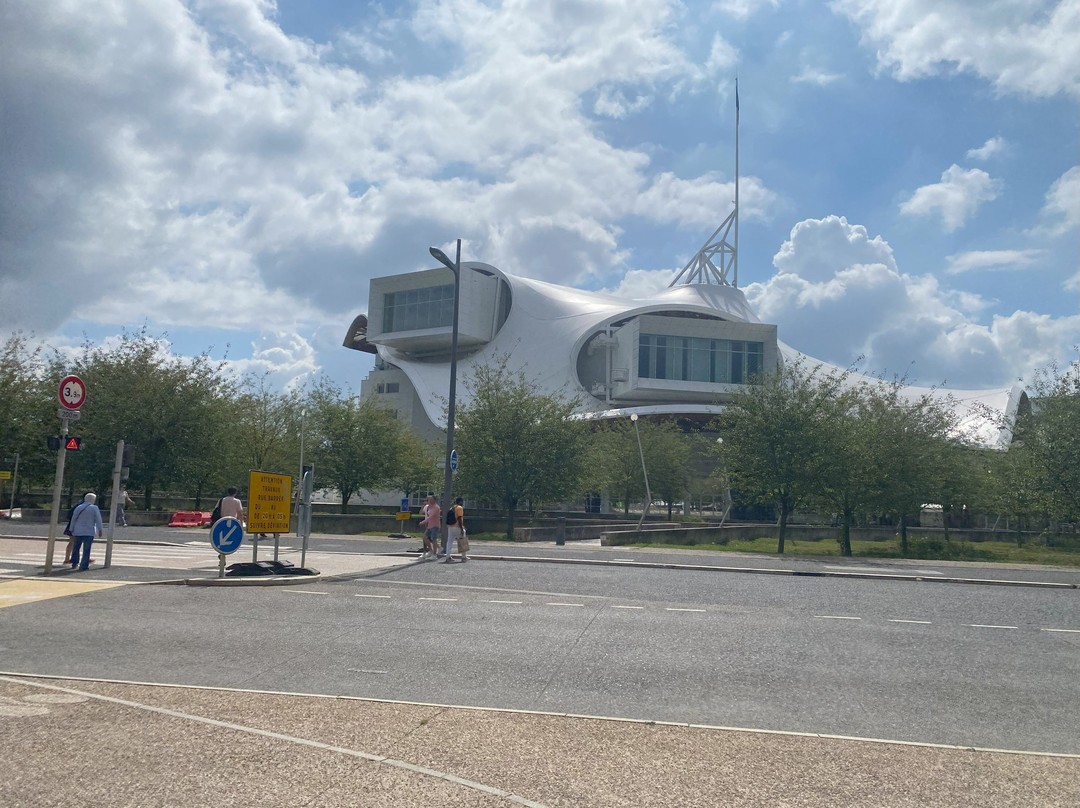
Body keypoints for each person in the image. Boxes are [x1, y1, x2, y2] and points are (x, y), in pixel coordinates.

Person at [68, 492, 103, 571]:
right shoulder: (94, 508)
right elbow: (98, 519)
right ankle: (84, 565)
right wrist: (100, 529)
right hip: (89, 531)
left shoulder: (79, 507)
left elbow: (74, 518)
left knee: (76, 547)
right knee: (86, 549)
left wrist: (71, 528)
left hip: (78, 530)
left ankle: (74, 562)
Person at [444, 497, 468, 563]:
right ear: (460, 502)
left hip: (450, 527)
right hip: (457, 526)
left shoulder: (452, 508)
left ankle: (448, 557)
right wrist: (461, 528)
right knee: (462, 541)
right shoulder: (460, 508)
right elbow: (459, 518)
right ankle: (464, 557)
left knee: (449, 542)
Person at [419, 494, 440, 561]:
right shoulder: (429, 507)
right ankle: (430, 551)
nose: (429, 501)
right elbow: (422, 512)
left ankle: (434, 554)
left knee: (434, 539)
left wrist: (422, 522)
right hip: (429, 525)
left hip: (435, 525)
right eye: (428, 500)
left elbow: (430, 517)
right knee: (425, 537)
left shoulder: (436, 507)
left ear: (434, 500)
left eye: (431, 499)